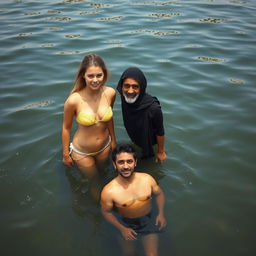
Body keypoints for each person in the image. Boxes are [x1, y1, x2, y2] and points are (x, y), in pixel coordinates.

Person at [100, 144, 167, 256]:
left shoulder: (147, 179)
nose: (126, 166)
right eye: (121, 162)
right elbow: (105, 211)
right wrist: (122, 228)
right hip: (125, 223)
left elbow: (159, 194)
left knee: (152, 254)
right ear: (114, 164)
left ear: (135, 162)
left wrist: (161, 214)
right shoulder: (109, 191)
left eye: (129, 161)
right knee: (129, 253)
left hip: (148, 220)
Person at [62, 53, 117, 178]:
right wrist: (66, 154)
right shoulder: (73, 100)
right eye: (90, 76)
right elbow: (66, 128)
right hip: (82, 152)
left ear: (104, 74)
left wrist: (114, 141)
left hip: (105, 147)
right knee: (94, 183)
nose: (95, 80)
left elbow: (109, 119)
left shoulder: (110, 93)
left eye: (99, 75)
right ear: (83, 75)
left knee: (104, 176)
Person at [116, 67, 167, 163]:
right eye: (126, 86)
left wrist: (160, 152)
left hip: (151, 143)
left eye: (135, 86)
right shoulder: (125, 97)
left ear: (142, 87)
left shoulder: (153, 108)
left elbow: (160, 132)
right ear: (121, 86)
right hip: (135, 138)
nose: (130, 91)